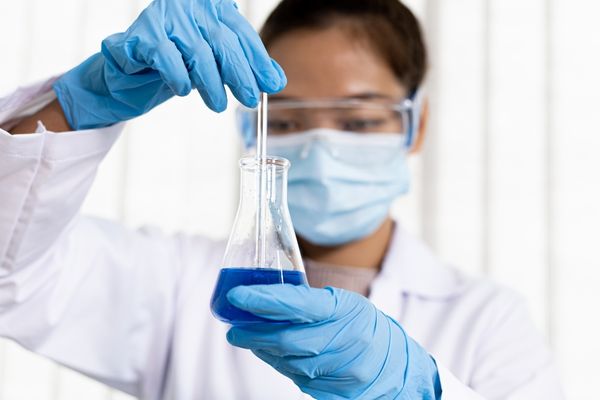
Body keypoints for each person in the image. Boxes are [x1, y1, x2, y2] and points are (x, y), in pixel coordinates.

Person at [0, 0, 564, 399]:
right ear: (252, 128)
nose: (321, 144)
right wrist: (77, 106)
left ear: (415, 127)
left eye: (360, 119)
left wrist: (421, 392)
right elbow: (10, 275)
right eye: (289, 117)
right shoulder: (173, 282)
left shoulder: (488, 322)